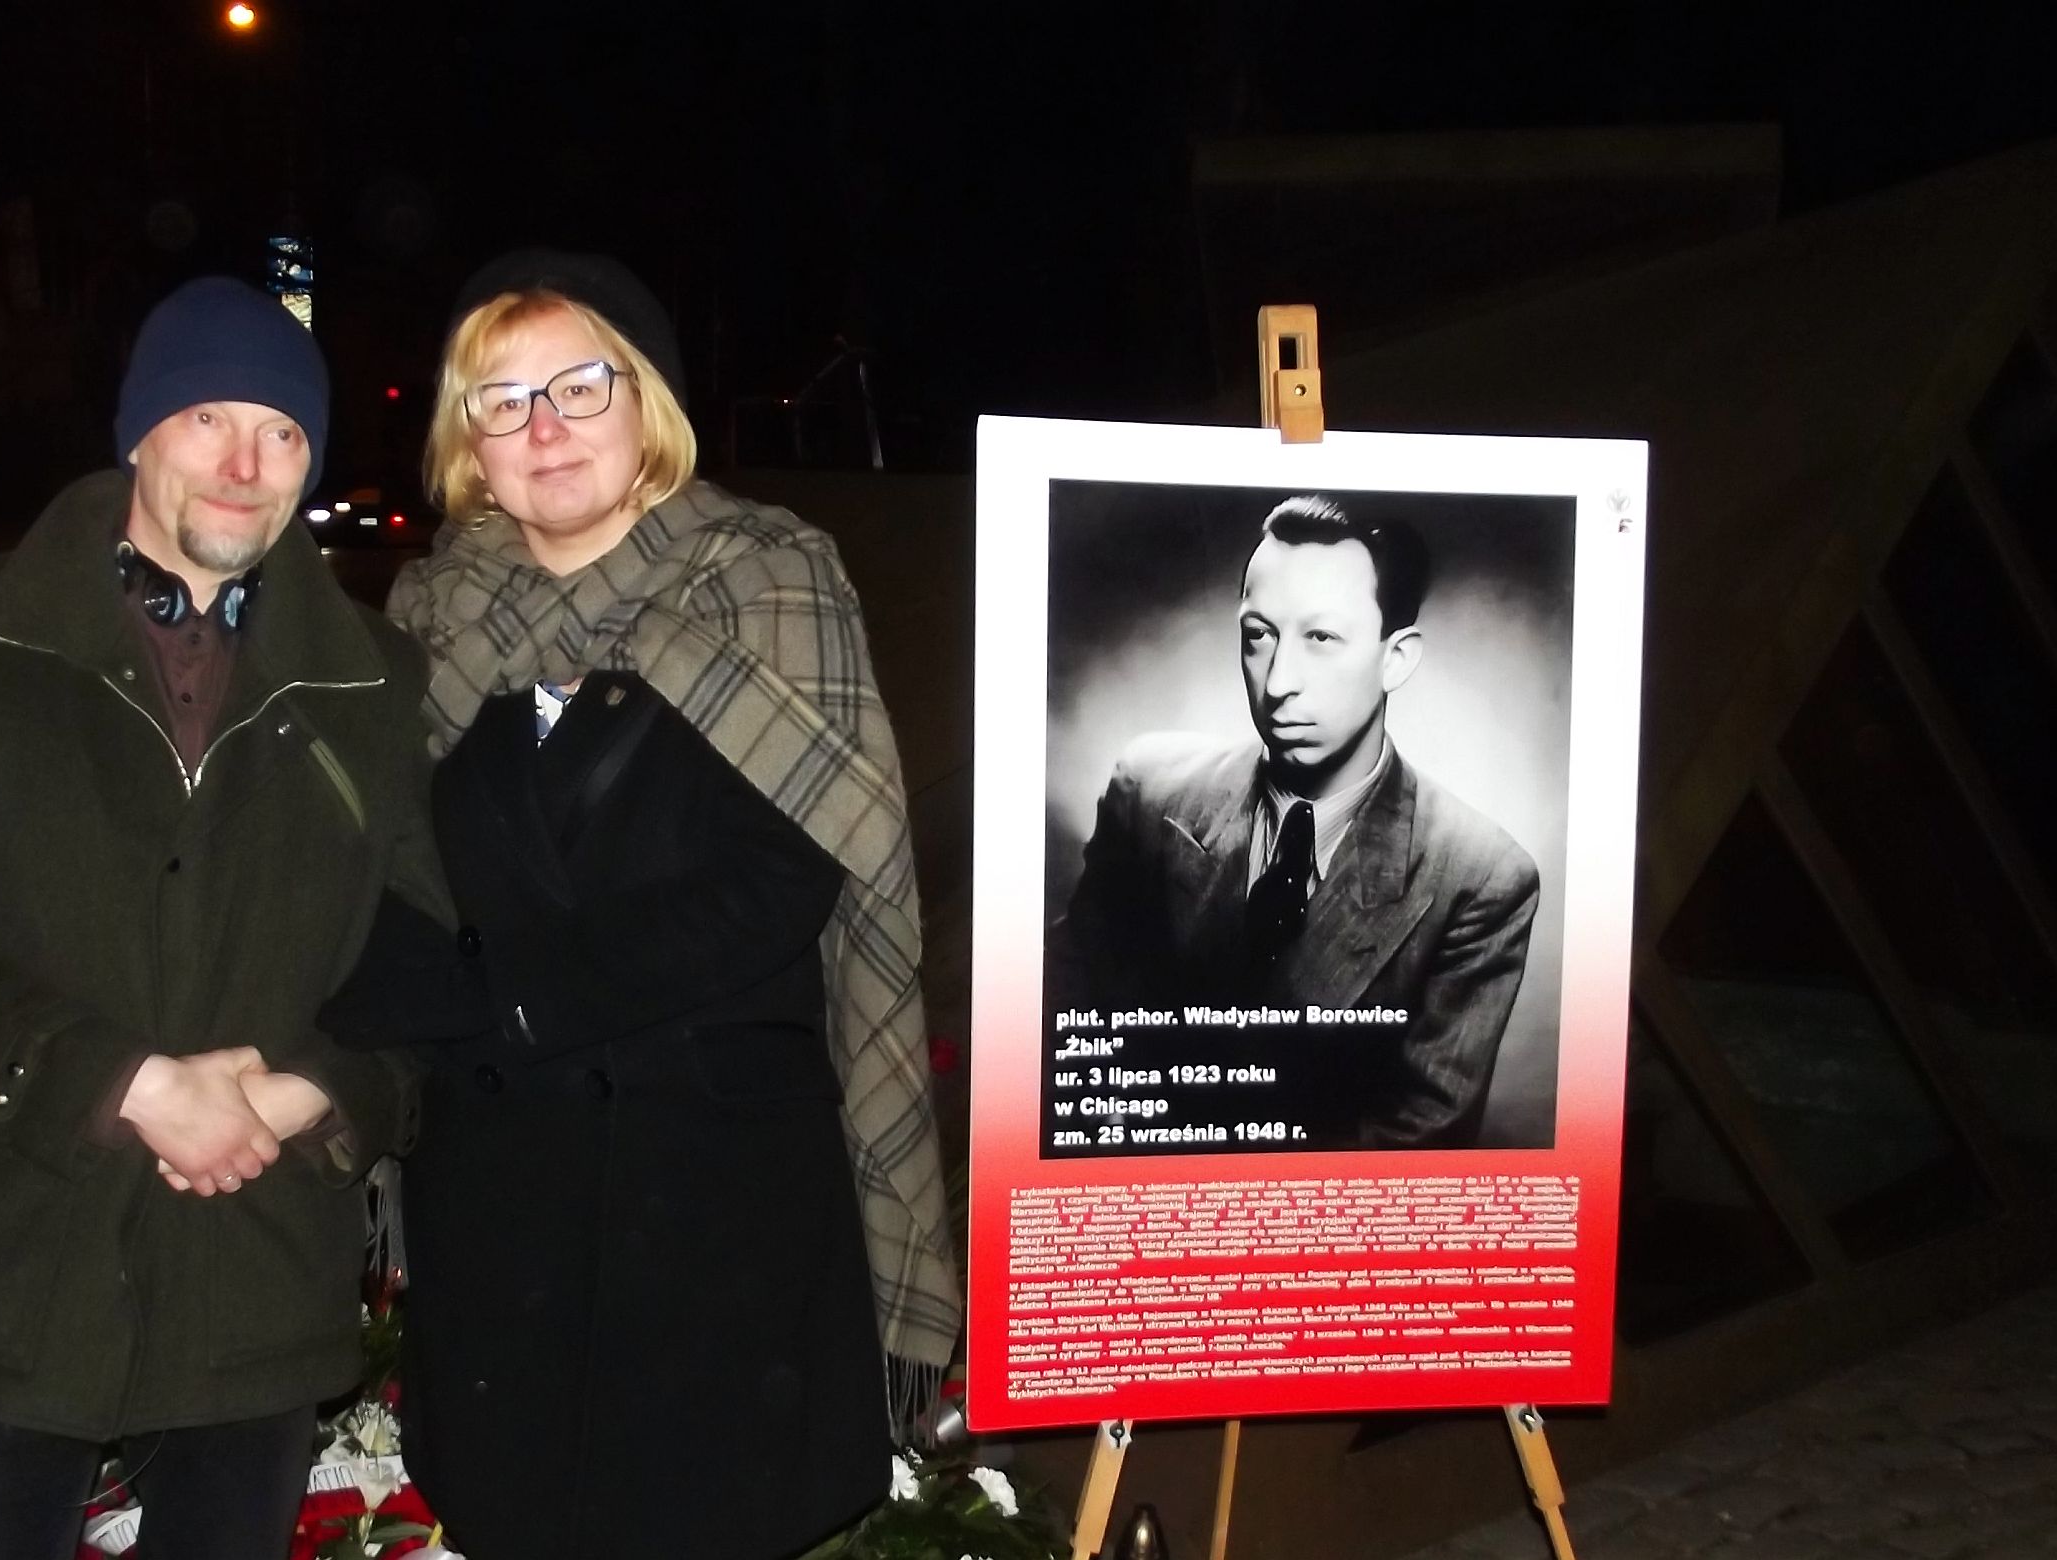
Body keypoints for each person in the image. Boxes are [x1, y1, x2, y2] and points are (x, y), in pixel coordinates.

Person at [344, 249, 959, 1560]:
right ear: (468, 442)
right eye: (503, 401)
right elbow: (382, 873)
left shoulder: (768, 578)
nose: (545, 426)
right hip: (500, 1203)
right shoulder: (427, 618)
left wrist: (512, 994)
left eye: (580, 385)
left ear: (649, 403)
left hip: (714, 1197)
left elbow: (790, 873)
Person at [0, 276, 451, 1559]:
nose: (244, 465)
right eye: (208, 418)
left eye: (282, 433)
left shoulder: (374, 681)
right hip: (18, 1251)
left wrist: (308, 1091)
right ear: (137, 432)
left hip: (255, 1264)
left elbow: (426, 950)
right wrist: (128, 1085)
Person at [1054, 494, 1540, 1149]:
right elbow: (1066, 1023)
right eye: (1258, 636)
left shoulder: (1480, 877)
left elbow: (1415, 1147)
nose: (1280, 682)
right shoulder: (1150, 789)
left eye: (1321, 639)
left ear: (1395, 658)